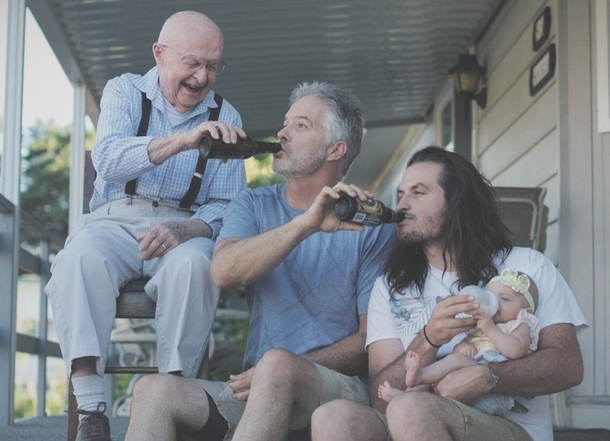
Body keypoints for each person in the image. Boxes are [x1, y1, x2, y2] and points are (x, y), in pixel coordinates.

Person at [123, 81, 396, 441]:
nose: (282, 133)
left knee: (277, 365)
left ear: (336, 149)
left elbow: (369, 341)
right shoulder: (252, 204)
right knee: (153, 390)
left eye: (301, 125)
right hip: (256, 394)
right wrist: (305, 225)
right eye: (286, 123)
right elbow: (223, 271)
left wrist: (282, 370)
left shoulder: (370, 225)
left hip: (335, 391)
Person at [44, 11, 247, 441]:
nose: (201, 77)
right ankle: (92, 409)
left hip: (182, 228)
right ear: (159, 54)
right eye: (192, 63)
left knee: (198, 265)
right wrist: (185, 140)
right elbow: (109, 159)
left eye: (212, 66)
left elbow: (227, 204)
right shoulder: (124, 90)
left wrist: (188, 230)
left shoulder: (227, 114)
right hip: (113, 218)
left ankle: (171, 396)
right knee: (76, 259)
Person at [310, 146, 587, 441]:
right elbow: (380, 398)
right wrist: (429, 340)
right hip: (413, 417)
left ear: (457, 202)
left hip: (508, 427)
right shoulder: (390, 288)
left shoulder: (526, 266)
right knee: (333, 415)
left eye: (418, 193)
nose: (402, 205)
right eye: (401, 194)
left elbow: (568, 365)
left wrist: (489, 377)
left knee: (411, 409)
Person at [378, 268, 541, 416]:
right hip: (470, 368)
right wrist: (464, 346)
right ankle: (406, 396)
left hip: (494, 380)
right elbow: (462, 346)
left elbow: (517, 350)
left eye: (505, 299)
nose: (496, 303)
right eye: (492, 296)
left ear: (526, 311)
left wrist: (491, 330)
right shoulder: (485, 322)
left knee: (452, 367)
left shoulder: (521, 324)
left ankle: (420, 377)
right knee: (441, 369)